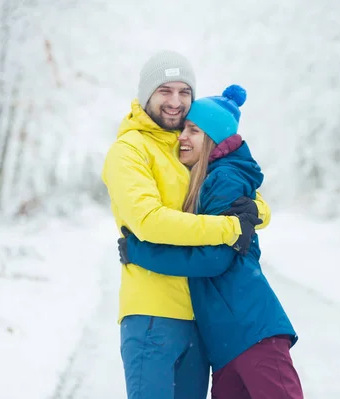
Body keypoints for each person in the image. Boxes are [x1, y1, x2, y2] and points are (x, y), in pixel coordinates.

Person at [101, 50, 273, 399]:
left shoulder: (189, 147)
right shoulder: (129, 150)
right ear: (146, 94)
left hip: (199, 316)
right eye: (165, 91)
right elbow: (149, 222)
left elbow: (239, 197)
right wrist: (229, 228)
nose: (175, 102)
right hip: (152, 314)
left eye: (184, 92)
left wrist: (255, 212)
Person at [118, 84, 304, 399]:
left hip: (252, 330)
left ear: (213, 139)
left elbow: (214, 259)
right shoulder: (207, 179)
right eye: (184, 128)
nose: (182, 137)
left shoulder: (223, 179)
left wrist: (140, 252)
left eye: (193, 130)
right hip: (227, 342)